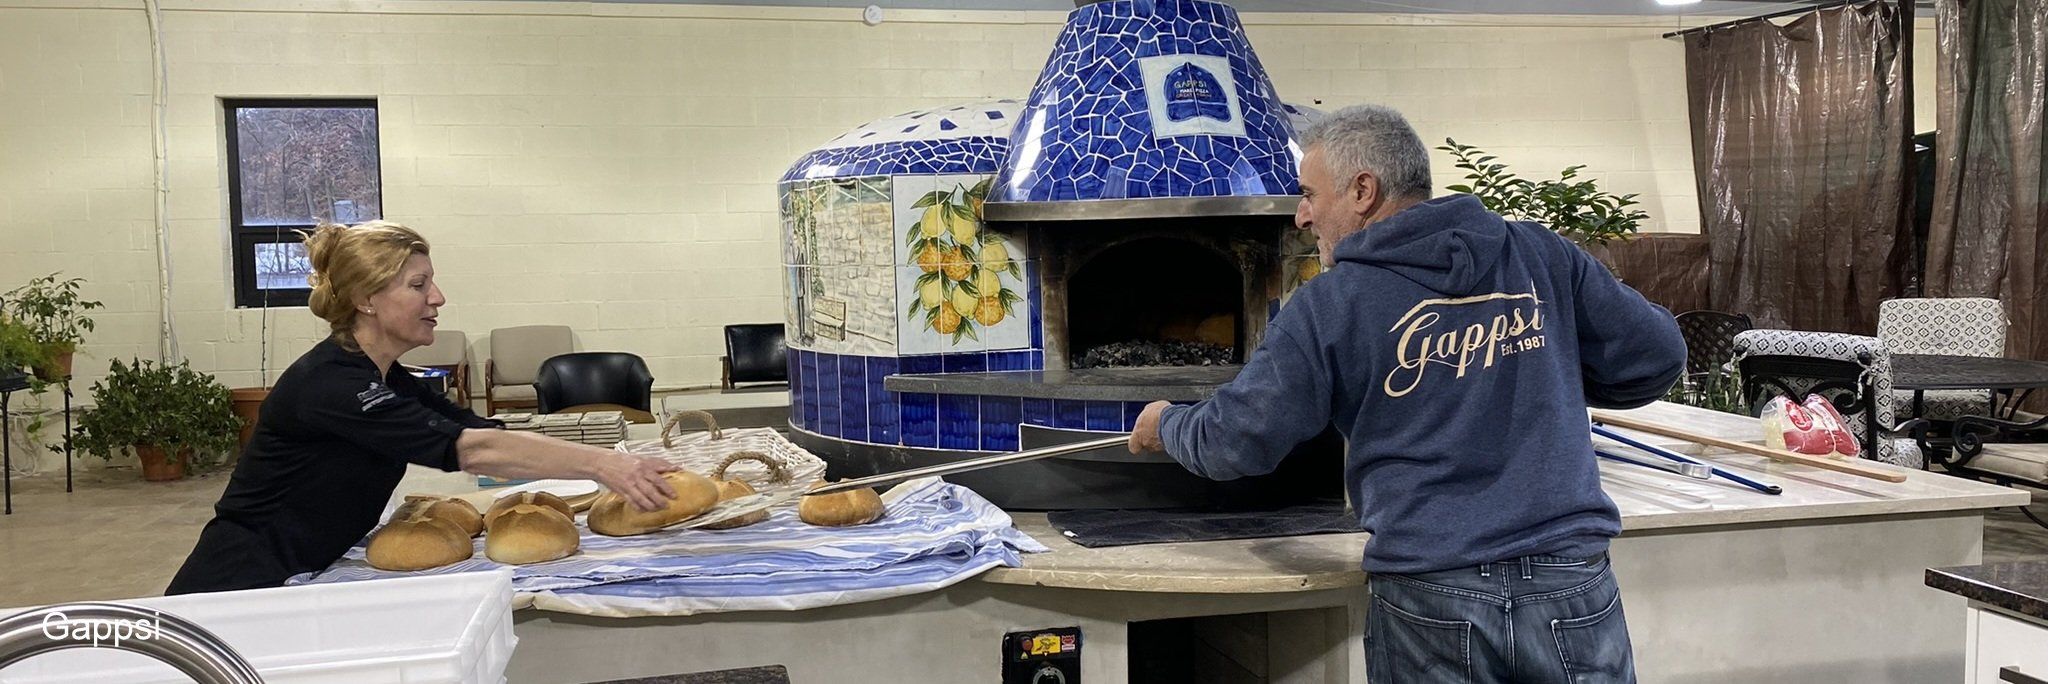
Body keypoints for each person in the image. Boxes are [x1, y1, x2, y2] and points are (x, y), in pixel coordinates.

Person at [1128, 105, 1684, 683]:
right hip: (1571, 588)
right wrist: (1548, 371)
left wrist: (1167, 423)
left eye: (1310, 194)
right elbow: (1658, 356)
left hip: (1431, 598)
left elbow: (1236, 440)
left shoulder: (1331, 305)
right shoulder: (1542, 254)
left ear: (1362, 190)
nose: (1301, 215)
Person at [166, 221, 678, 595]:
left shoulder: (387, 376)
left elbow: (478, 430)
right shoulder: (331, 384)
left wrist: (600, 461)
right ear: (366, 299)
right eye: (418, 285)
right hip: (239, 585)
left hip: (300, 573)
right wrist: (604, 465)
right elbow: (471, 450)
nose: (438, 297)